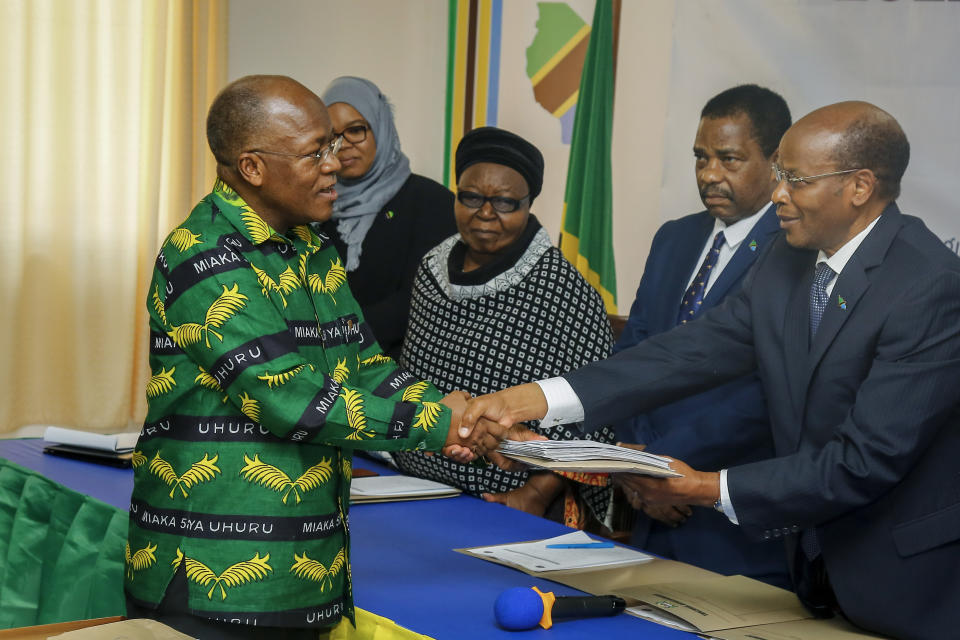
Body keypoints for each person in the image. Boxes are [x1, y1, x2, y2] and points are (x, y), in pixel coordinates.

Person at [463, 101, 960, 640]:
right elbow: (689, 351)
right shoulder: (787, 258)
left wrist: (701, 487)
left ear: (860, 186)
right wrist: (535, 398)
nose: (777, 195)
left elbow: (863, 462)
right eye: (777, 176)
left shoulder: (929, 286)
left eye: (795, 179)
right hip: (815, 572)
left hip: (904, 585)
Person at [123, 75, 501, 639]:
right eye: (315, 151)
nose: (336, 164)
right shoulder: (202, 257)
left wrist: (471, 419)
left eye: (333, 144)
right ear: (252, 167)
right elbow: (290, 399)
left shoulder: (311, 249)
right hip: (217, 576)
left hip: (306, 567)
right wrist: (444, 423)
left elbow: (367, 366)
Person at [392, 126, 615, 527]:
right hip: (409, 484)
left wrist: (530, 496)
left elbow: (593, 414)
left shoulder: (561, 288)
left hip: (505, 501)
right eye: (471, 197)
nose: (485, 213)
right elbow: (414, 376)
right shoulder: (431, 268)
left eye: (505, 202)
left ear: (529, 204)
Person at [613, 85, 790, 588]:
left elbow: (763, 389)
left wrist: (667, 470)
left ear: (776, 160)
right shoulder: (676, 237)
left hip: (729, 521)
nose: (710, 174)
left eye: (729, 159)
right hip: (648, 507)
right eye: (700, 157)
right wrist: (632, 460)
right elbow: (635, 352)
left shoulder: (795, 250)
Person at [314, 76, 456, 359]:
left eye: (356, 130)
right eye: (332, 136)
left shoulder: (431, 203)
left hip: (403, 375)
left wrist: (336, 338)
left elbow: (419, 302)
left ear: (381, 127)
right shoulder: (315, 207)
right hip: (325, 370)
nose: (343, 145)